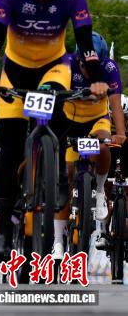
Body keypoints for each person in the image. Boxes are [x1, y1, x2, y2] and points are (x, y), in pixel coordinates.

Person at [0, 0, 108, 259]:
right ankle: (3, 231)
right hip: (14, 73)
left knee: (57, 111)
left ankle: (58, 171)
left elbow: (85, 44)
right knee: (9, 150)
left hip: (53, 69)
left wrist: (96, 80)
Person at [53, 32, 123, 257]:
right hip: (70, 121)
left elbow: (115, 102)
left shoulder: (109, 68)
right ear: (78, 59)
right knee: (66, 176)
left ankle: (100, 190)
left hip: (96, 120)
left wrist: (121, 133)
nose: (89, 72)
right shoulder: (66, 63)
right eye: (85, 67)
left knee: (103, 146)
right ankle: (57, 241)